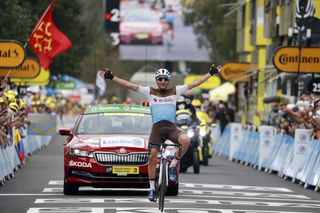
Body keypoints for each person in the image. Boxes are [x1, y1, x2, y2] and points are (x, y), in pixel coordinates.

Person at [97, 64, 221, 201]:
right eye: (160, 79)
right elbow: (130, 85)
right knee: (152, 157)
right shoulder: (149, 91)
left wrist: (211, 73)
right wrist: (112, 77)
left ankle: (173, 165)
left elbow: (194, 83)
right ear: (156, 80)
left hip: (171, 128)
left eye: (165, 79)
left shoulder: (175, 91)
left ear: (168, 81)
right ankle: (151, 189)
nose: (163, 81)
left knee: (186, 140)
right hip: (157, 129)